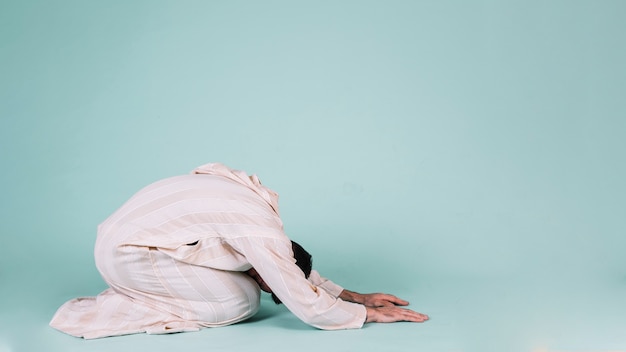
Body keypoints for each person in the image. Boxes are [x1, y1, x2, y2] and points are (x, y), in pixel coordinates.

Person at [50, 163, 428, 339]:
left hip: (119, 237)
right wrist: (364, 314)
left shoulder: (260, 221)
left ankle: (142, 288)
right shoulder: (261, 237)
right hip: (127, 255)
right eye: (269, 283)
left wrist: (349, 294)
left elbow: (286, 268)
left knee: (243, 287)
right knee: (242, 302)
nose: (265, 285)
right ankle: (131, 298)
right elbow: (297, 292)